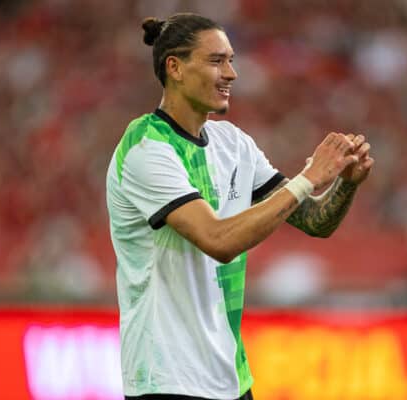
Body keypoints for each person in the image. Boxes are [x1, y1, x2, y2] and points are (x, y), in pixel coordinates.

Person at [106, 13, 374, 400]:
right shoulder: (147, 147)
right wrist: (309, 177)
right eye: (216, 60)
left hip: (231, 379)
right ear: (175, 68)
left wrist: (346, 185)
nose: (231, 73)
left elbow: (315, 220)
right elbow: (219, 239)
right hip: (167, 381)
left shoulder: (232, 143)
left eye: (231, 60)